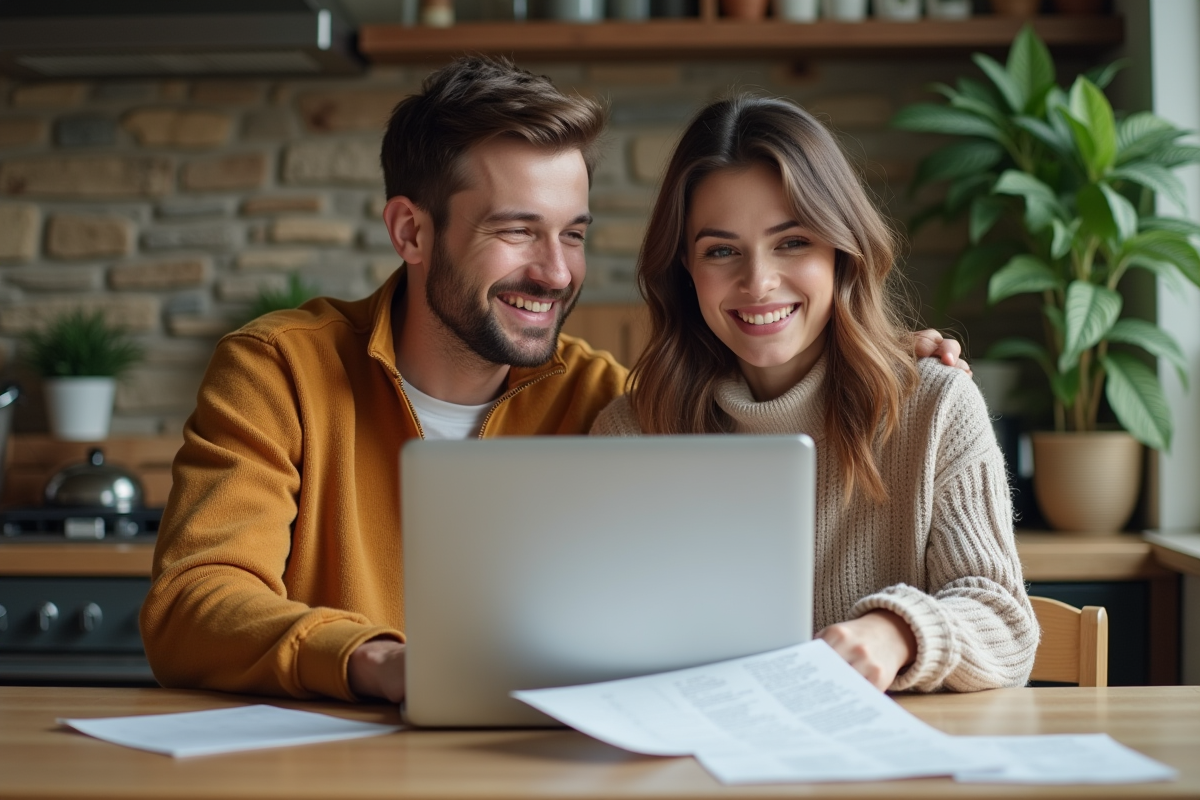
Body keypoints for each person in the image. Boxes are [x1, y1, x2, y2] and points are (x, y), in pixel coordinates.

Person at [140, 58, 969, 704]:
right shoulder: (279, 368)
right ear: (411, 231)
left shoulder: (611, 404)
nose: (554, 271)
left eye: (572, 234)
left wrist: (875, 352)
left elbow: (762, 364)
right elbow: (192, 604)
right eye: (516, 231)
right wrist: (378, 661)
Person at [591, 95, 1037, 693]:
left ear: (841, 250)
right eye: (721, 251)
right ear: (685, 270)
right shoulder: (632, 434)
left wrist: (895, 632)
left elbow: (1006, 624)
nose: (758, 282)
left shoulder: (935, 407)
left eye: (792, 241)